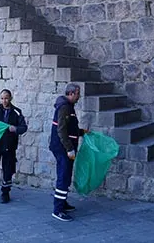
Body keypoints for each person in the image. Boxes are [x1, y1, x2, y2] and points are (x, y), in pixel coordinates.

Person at [49, 83, 89, 222]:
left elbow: (69, 128)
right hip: (62, 148)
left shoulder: (68, 106)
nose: (79, 97)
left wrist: (81, 132)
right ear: (71, 93)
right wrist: (69, 149)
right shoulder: (64, 107)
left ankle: (63, 202)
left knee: (65, 175)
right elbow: (61, 130)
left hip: (64, 147)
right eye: (78, 94)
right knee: (64, 176)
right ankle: (58, 210)